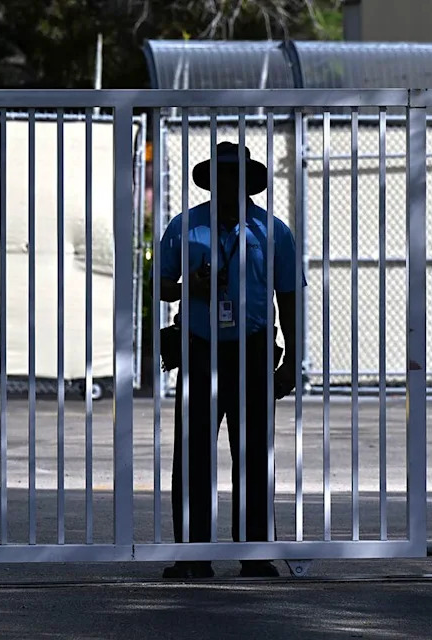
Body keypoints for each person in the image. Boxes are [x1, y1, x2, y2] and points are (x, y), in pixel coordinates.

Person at [158, 141, 300, 579]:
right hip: (200, 349)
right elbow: (161, 287)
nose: (227, 184)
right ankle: (193, 555)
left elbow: (289, 296)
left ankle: (255, 553)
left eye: (234, 176)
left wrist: (292, 359)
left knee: (255, 454)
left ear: (247, 181)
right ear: (210, 182)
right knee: (193, 455)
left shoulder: (273, 231)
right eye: (219, 176)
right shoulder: (185, 227)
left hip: (254, 349)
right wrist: (191, 288)